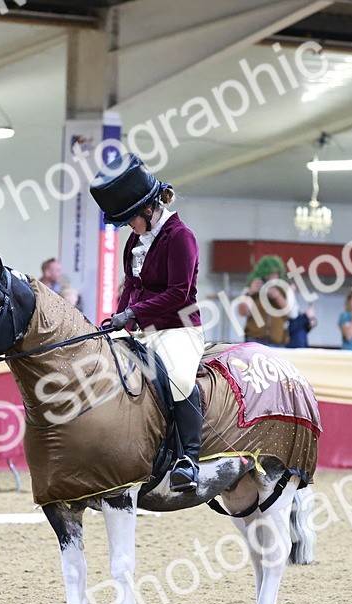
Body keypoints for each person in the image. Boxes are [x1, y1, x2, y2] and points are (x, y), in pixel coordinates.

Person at [89, 152, 203, 492]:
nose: (129, 227)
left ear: (149, 208)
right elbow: (131, 285)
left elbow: (179, 293)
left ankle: (189, 459)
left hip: (178, 328)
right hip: (142, 329)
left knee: (179, 378)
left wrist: (134, 314)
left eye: (130, 220)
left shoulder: (181, 236)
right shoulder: (136, 241)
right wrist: (116, 319)